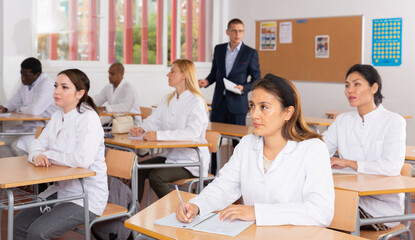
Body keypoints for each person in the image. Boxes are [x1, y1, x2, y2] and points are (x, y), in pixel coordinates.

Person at [177, 74, 334, 227]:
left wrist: (257, 213)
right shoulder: (247, 144)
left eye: (264, 107)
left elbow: (321, 212)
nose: (254, 114)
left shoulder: (313, 149)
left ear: (288, 113)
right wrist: (196, 206)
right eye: (252, 106)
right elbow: (223, 186)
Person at [14, 69, 108, 239]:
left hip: (86, 197)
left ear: (80, 93)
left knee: (37, 232)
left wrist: (48, 155)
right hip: (62, 190)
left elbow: (82, 160)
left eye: (64, 87)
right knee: (18, 224)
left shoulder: (88, 118)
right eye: (56, 86)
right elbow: (36, 145)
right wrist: (37, 156)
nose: (57, 91)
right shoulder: (57, 115)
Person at [323, 64, 406, 230]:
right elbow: (320, 149)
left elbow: (392, 166)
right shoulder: (342, 120)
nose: (349, 90)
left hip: (380, 210)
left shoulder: (393, 122)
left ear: (374, 87)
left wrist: (349, 163)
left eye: (356, 84)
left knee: (325, 213)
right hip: (347, 196)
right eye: (347, 85)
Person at [130, 59, 210, 202]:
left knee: (156, 177)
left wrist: (158, 135)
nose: (168, 74)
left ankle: (182, 210)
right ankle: (134, 211)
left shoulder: (196, 101)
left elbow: (192, 134)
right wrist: (141, 128)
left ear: (184, 75)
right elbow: (155, 120)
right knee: (137, 168)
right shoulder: (168, 99)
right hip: (171, 157)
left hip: (191, 161)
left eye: (172, 71)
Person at [198, 18, 261, 174]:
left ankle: (238, 174)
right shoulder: (219, 49)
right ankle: (211, 172)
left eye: (240, 31)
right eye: (234, 30)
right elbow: (215, 73)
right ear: (228, 32)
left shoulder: (250, 53)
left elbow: (257, 79)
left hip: (237, 104)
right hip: (219, 103)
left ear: (243, 32)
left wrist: (244, 88)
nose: (237, 34)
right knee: (213, 141)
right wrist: (207, 81)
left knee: (237, 144)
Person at [0, 57, 58, 155]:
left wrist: (19, 110)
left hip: (44, 127)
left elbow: (35, 110)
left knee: (16, 146)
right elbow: (16, 100)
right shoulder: (27, 83)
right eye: (21, 74)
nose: (22, 78)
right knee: (3, 139)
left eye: (26, 75)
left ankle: (24, 168)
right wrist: (5, 108)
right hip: (30, 126)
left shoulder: (47, 84)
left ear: (37, 74)